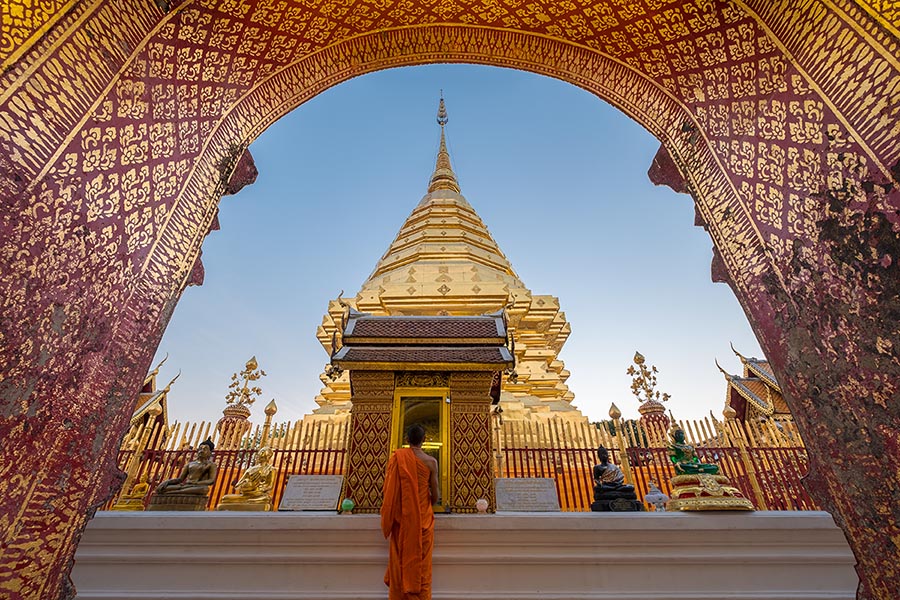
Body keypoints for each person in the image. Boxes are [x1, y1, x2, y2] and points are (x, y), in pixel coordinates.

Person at [381, 424, 439, 600]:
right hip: (423, 521)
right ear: (425, 440)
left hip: (403, 521)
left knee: (401, 561)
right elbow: (436, 496)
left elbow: (389, 491)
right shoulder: (431, 462)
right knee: (422, 566)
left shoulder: (397, 458)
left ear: (407, 440)